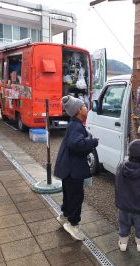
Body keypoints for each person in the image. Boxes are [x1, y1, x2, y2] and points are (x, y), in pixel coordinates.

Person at [54, 95, 98, 240]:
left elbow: (74, 143)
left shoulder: (74, 124)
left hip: (67, 167)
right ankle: (73, 225)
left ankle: (64, 216)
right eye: (84, 106)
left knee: (68, 194)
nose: (86, 108)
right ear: (79, 110)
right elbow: (76, 144)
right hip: (73, 169)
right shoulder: (76, 126)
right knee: (76, 197)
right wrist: (92, 142)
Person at [114, 139, 140, 252]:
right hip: (139, 207)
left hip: (123, 206)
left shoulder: (121, 166)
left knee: (123, 224)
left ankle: (123, 243)